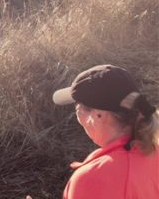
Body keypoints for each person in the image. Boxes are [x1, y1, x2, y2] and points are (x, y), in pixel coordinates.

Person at [52, 64, 159, 198]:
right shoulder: (152, 149)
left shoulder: (90, 179)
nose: (78, 118)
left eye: (78, 111)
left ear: (99, 115)